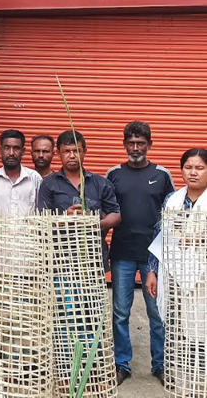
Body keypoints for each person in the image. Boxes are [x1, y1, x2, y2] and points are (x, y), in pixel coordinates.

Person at [106, 121, 173, 386]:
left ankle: (160, 365)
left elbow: (171, 213)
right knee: (120, 312)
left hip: (153, 257)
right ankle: (121, 364)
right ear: (124, 144)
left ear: (149, 145)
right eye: (131, 143)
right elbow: (106, 210)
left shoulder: (162, 174)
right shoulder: (114, 174)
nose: (136, 148)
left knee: (156, 312)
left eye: (141, 143)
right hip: (122, 253)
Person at [146, 148, 207, 388]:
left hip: (203, 276)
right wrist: (152, 270)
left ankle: (201, 374)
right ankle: (182, 372)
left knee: (201, 322)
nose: (193, 172)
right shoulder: (172, 200)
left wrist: (197, 239)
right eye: (188, 167)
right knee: (176, 323)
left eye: (200, 168)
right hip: (174, 272)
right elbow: (160, 234)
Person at [37, 130, 122, 247]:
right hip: (60, 252)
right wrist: (64, 219)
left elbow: (115, 214)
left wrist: (95, 224)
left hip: (94, 251)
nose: (72, 156)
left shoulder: (101, 183)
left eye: (76, 151)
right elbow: (42, 219)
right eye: (66, 151)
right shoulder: (48, 184)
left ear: (84, 152)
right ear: (58, 154)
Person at [0, 129, 41, 275]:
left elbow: (43, 218)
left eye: (16, 148)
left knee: (28, 290)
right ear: (0, 150)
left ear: (23, 151)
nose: (11, 153)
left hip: (29, 257)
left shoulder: (35, 179)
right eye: (7, 148)